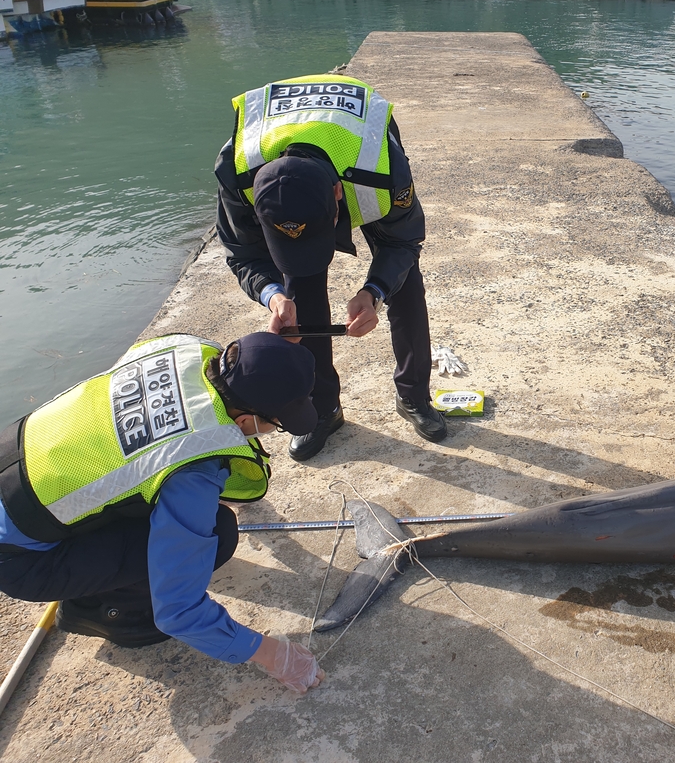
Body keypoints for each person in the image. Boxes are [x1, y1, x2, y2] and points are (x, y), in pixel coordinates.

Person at [0, 332, 325, 693]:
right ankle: (107, 611)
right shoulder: (193, 475)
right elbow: (179, 611)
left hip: (15, 464)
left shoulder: (189, 353)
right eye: (275, 423)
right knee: (217, 532)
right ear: (246, 422)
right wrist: (274, 655)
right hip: (19, 561)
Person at [214, 73, 447, 463]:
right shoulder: (236, 174)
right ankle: (324, 409)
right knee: (297, 292)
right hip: (293, 151)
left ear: (339, 196)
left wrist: (374, 291)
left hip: (357, 158)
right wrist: (272, 296)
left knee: (403, 284)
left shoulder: (384, 169)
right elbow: (241, 252)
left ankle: (412, 395)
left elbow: (404, 241)